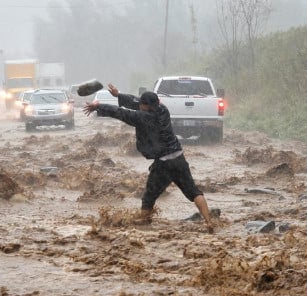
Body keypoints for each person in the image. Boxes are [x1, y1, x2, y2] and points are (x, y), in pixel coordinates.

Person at [83, 83, 215, 233]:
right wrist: (118, 95)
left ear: (146, 106)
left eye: (142, 105)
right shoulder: (163, 109)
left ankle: (143, 229)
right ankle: (209, 222)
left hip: (163, 164)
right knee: (194, 192)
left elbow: (121, 113)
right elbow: (135, 102)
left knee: (148, 198)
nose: (139, 106)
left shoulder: (144, 117)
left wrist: (98, 107)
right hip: (179, 158)